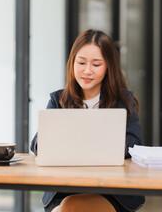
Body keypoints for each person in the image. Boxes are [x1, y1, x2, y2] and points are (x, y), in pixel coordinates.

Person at [30, 29, 145, 212]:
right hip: (63, 190)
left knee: (70, 208)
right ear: (72, 63)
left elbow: (134, 144)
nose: (87, 70)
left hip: (110, 193)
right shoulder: (58, 100)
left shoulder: (122, 101)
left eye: (96, 64)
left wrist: (80, 146)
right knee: (67, 206)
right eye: (81, 62)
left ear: (108, 67)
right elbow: (38, 142)